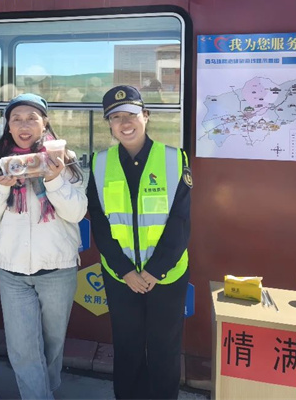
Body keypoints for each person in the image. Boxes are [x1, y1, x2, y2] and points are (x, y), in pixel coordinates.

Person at [0, 93, 87, 400]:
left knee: (52, 344)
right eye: (16, 119)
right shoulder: (1, 163)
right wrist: (0, 187)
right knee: (24, 348)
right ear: (8, 126)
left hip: (57, 270)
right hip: (12, 272)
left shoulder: (65, 160)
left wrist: (54, 179)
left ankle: (45, 390)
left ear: (45, 123)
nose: (24, 126)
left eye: (31, 118)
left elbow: (76, 212)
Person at [87, 85, 191, 400]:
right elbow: (100, 222)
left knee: (164, 349)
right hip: (121, 277)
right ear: (109, 124)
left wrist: (154, 271)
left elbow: (180, 221)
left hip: (166, 275)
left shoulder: (174, 159)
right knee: (128, 348)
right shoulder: (99, 163)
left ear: (145, 116)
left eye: (130, 114)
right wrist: (126, 271)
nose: (124, 123)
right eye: (115, 117)